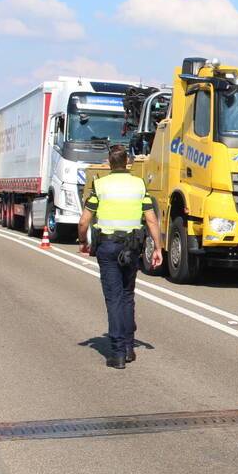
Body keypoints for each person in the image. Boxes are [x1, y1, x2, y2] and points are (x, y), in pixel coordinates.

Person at [78, 145, 163, 369]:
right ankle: (128, 347)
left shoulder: (100, 185)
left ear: (109, 162)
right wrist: (158, 248)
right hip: (132, 247)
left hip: (107, 247)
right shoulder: (139, 184)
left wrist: (82, 241)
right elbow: (151, 219)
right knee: (127, 295)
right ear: (128, 162)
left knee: (113, 298)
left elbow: (84, 221)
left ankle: (117, 353)